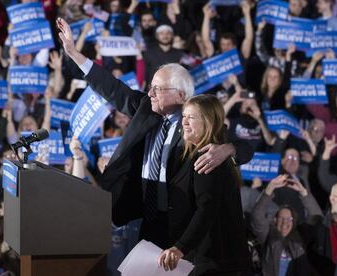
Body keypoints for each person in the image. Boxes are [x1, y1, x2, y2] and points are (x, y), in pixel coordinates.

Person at [57, 17, 253, 249]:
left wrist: (227, 149)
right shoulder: (145, 109)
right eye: (151, 87)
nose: (150, 93)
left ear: (181, 95)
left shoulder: (198, 123)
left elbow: (245, 148)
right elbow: (112, 88)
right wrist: (74, 53)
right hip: (145, 217)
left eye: (157, 89)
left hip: (180, 224)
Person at [158, 94, 250, 275]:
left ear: (207, 122)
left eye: (191, 117)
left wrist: (180, 248)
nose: (184, 122)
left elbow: (206, 209)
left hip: (214, 262)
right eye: (184, 116)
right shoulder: (193, 154)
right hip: (204, 258)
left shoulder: (209, 158)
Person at [251, 174, 323, 276]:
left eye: (289, 219)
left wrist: (304, 193)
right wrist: (269, 188)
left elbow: (317, 219)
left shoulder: (301, 236)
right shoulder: (268, 235)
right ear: (275, 220)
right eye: (281, 218)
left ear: (294, 221)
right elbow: (257, 216)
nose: (285, 222)